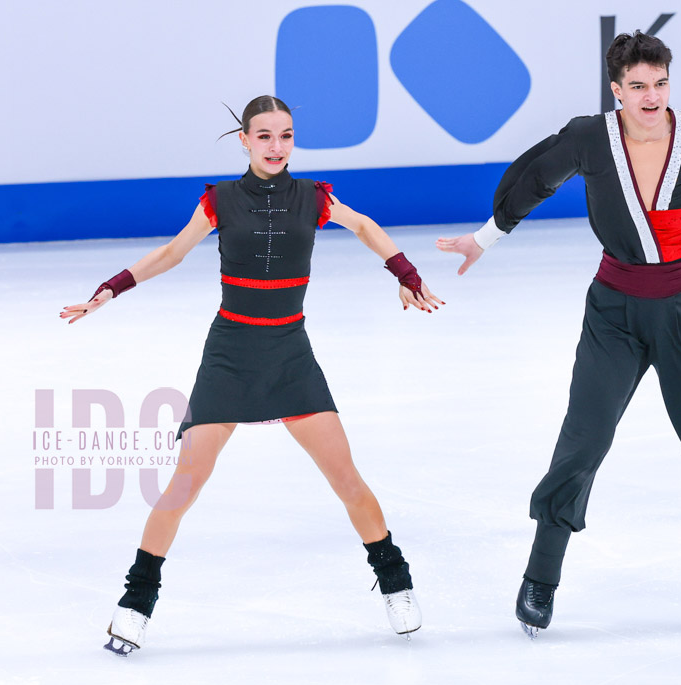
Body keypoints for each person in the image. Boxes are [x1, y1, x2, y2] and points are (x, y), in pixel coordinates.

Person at [437, 31, 681, 637]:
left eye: (660, 83)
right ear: (616, 90)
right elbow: (534, 180)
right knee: (584, 436)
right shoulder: (591, 137)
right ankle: (540, 577)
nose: (651, 96)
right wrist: (483, 239)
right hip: (614, 312)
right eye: (637, 86)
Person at [61, 95, 442, 655]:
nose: (276, 146)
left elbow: (363, 226)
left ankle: (396, 584)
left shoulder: (314, 197)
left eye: (285, 135)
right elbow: (172, 253)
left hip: (289, 352)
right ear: (244, 140)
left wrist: (404, 274)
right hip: (230, 354)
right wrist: (111, 289)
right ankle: (136, 601)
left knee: (345, 478)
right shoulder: (219, 200)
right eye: (264, 136)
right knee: (185, 482)